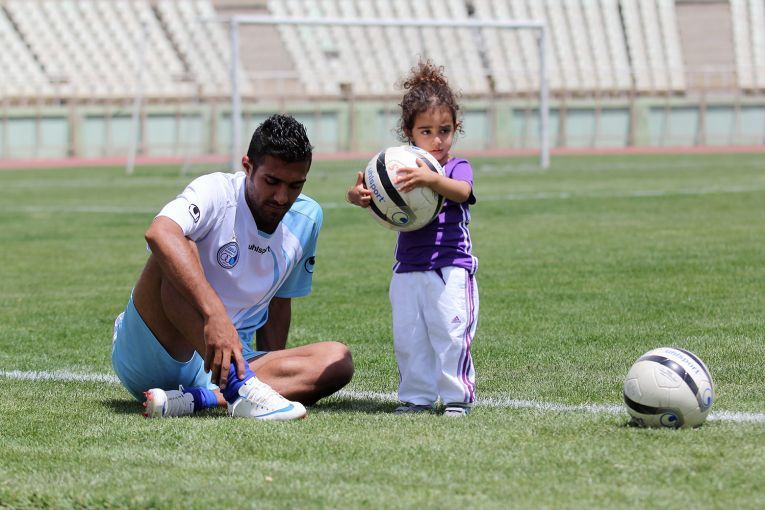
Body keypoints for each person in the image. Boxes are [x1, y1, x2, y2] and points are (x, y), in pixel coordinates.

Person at [111, 114, 354, 420]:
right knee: (179, 243)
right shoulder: (216, 191)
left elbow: (279, 302)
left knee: (337, 359)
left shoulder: (308, 218)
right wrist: (215, 316)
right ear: (247, 166)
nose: (282, 197)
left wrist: (273, 375)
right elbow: (159, 233)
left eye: (295, 185)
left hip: (225, 366)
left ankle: (202, 399)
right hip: (154, 352)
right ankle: (240, 389)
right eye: (271, 182)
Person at [346, 61, 479, 417]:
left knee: (450, 333)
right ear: (409, 132)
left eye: (445, 130)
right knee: (409, 337)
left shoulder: (455, 167)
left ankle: (456, 398)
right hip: (407, 268)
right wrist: (358, 196)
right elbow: (374, 194)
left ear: (456, 128)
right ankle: (416, 397)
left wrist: (432, 180)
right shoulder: (397, 168)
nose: (437, 140)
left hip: (449, 266)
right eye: (426, 131)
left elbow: (463, 191)